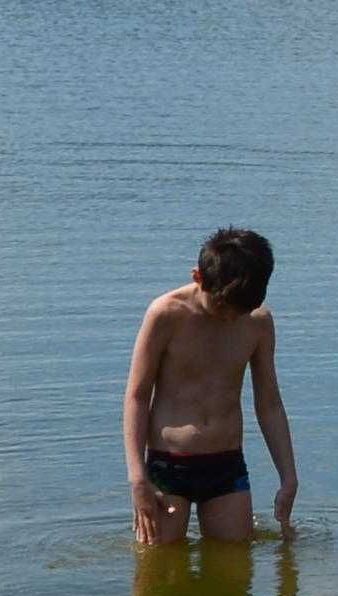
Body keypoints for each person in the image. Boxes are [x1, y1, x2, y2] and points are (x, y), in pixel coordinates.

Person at [126, 227, 297, 544]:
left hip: (226, 464)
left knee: (235, 568)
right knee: (157, 573)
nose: (229, 320)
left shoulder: (257, 322)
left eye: (239, 312)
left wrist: (288, 477)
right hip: (168, 465)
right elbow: (136, 396)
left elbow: (269, 403)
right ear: (198, 277)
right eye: (222, 309)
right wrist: (138, 478)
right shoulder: (166, 314)